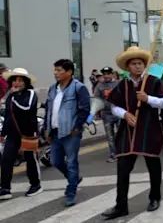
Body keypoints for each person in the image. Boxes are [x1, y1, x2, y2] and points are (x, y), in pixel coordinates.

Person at [101, 47, 163, 220]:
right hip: (129, 132)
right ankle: (121, 205)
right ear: (128, 67)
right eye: (134, 63)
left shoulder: (154, 82)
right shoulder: (123, 85)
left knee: (153, 166)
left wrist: (148, 99)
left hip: (150, 129)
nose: (138, 66)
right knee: (123, 169)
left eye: (140, 63)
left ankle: (155, 198)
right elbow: (113, 106)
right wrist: (125, 114)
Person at [42, 59, 90, 207]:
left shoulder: (78, 88)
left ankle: (71, 192)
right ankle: (74, 179)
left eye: (59, 70)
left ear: (69, 72)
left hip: (71, 132)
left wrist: (76, 127)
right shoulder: (52, 89)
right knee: (55, 161)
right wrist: (46, 129)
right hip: (55, 131)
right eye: (55, 70)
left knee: (71, 162)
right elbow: (48, 110)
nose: (55, 73)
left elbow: (84, 109)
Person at [0, 68, 42, 200]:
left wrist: (13, 98)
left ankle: (36, 185)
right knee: (6, 160)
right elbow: (8, 116)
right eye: (14, 80)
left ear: (25, 82)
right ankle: (5, 188)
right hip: (12, 135)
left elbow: (26, 107)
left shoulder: (30, 93)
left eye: (20, 80)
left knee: (30, 159)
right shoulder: (11, 96)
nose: (16, 83)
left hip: (28, 133)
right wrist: (3, 133)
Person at [94, 66, 120, 163]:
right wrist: (95, 112)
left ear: (112, 74)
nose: (106, 76)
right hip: (107, 114)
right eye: (104, 74)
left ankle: (122, 152)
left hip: (119, 113)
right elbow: (96, 99)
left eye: (108, 74)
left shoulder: (118, 83)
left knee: (121, 133)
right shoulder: (99, 86)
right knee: (110, 136)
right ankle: (113, 154)